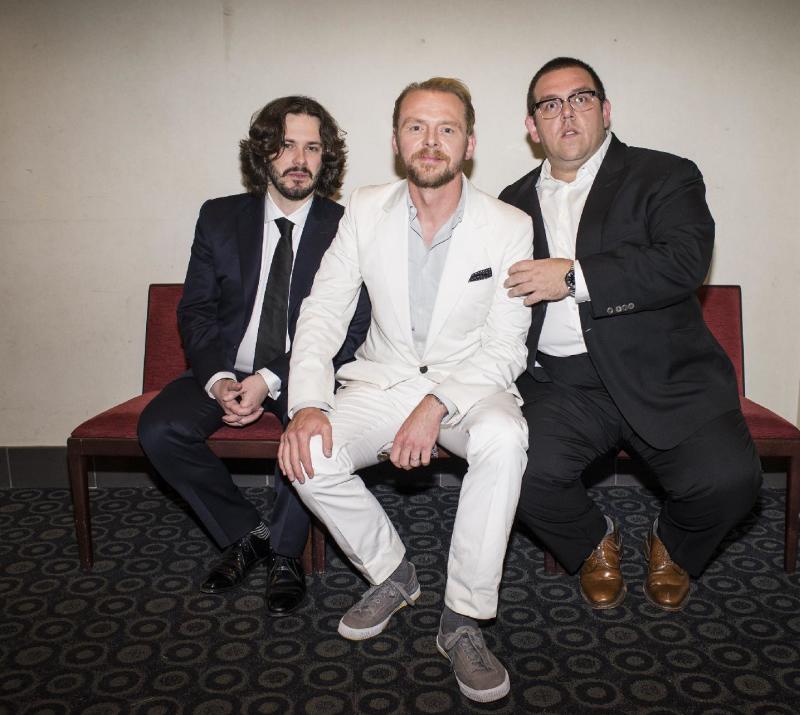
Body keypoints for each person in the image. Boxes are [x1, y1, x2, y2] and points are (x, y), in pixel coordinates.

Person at [279, 78, 532, 704]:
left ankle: (464, 618)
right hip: (383, 376)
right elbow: (323, 311)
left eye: (446, 128)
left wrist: (436, 403)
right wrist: (308, 404)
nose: (431, 141)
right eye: (416, 127)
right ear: (397, 141)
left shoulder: (509, 225)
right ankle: (394, 572)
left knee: (505, 436)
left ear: (469, 143)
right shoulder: (364, 209)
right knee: (307, 456)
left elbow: (507, 347)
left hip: (470, 385)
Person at [500, 57, 762, 613]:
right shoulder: (509, 202)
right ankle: (595, 541)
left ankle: (673, 544)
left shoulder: (665, 175)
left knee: (731, 481)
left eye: (581, 98)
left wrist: (572, 277)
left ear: (605, 110)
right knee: (510, 469)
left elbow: (684, 260)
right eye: (550, 104)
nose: (566, 113)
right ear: (533, 127)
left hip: (662, 371)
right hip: (563, 386)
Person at [138, 96, 370, 617]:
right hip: (225, 366)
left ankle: (286, 554)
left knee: (311, 431)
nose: (299, 159)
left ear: (326, 157)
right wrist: (219, 379)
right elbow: (196, 311)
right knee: (159, 429)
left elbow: (354, 327)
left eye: (313, 148)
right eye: (286, 145)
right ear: (263, 152)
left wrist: (271, 378)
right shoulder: (219, 217)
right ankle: (247, 534)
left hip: (305, 370)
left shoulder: (349, 225)